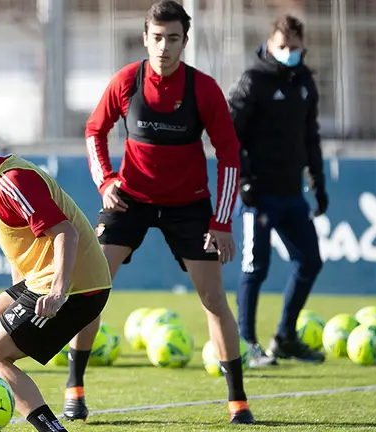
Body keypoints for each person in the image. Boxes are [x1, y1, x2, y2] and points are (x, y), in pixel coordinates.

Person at [72, 0, 255, 425]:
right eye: (157, 38)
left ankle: (238, 402)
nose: (164, 47)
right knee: (91, 291)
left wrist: (221, 221)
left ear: (184, 42)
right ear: (145, 39)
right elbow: (94, 130)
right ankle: (75, 391)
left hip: (189, 206)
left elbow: (228, 153)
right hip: (129, 200)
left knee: (213, 300)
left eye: (173, 39)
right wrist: (106, 182)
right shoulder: (126, 81)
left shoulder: (203, 88)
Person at [0, 107, 112, 432]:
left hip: (74, 288)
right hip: (43, 281)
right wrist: (16, 301)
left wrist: (58, 292)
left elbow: (65, 233)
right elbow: (24, 254)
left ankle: (51, 429)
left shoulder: (12, 180)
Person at [228, 14, 326, 366]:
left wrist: (318, 181)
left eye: (294, 48)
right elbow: (230, 136)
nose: (288, 53)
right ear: (270, 45)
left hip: (292, 193)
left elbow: (310, 136)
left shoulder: (304, 82)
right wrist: (244, 181)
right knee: (256, 267)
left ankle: (284, 336)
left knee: (310, 261)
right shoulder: (254, 79)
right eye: (281, 47)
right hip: (259, 195)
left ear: (303, 48)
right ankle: (246, 343)